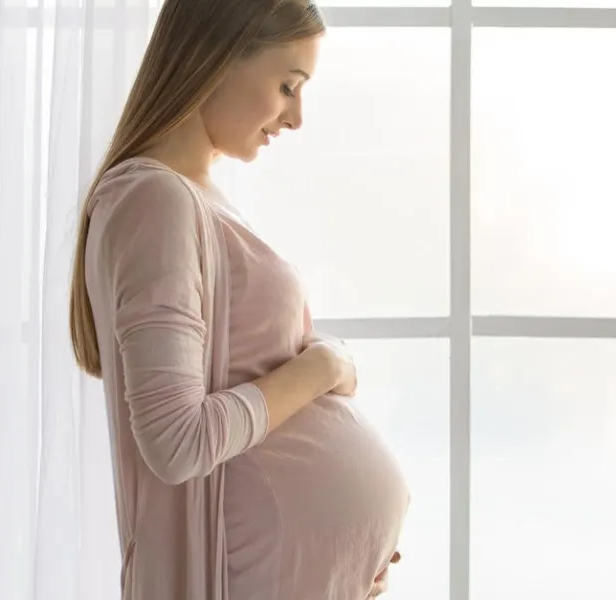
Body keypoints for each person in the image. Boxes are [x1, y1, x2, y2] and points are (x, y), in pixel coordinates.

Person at [68, 0, 409, 597]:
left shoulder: (195, 198)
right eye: (287, 85)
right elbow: (178, 441)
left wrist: (339, 549)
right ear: (217, 58)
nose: (297, 117)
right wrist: (322, 368)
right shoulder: (155, 201)